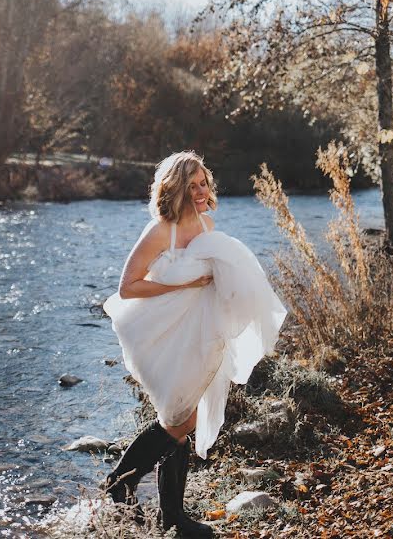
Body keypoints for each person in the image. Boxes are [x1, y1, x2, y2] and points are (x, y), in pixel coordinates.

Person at [102, 151, 287, 537]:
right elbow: (128, 287)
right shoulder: (159, 231)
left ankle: (172, 517)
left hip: (198, 335)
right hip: (157, 335)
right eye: (193, 185)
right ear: (176, 189)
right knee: (179, 419)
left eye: (204, 182)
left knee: (183, 419)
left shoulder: (207, 225)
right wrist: (182, 283)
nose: (202, 191)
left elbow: (216, 279)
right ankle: (121, 484)